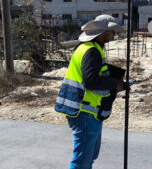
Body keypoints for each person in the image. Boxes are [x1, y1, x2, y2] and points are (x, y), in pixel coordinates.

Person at [55, 15, 129, 169]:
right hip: (84, 111)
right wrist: (116, 83)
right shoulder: (91, 51)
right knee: (82, 161)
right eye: (112, 31)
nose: (114, 34)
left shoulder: (88, 48)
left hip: (88, 110)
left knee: (89, 158)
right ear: (102, 32)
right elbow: (91, 81)